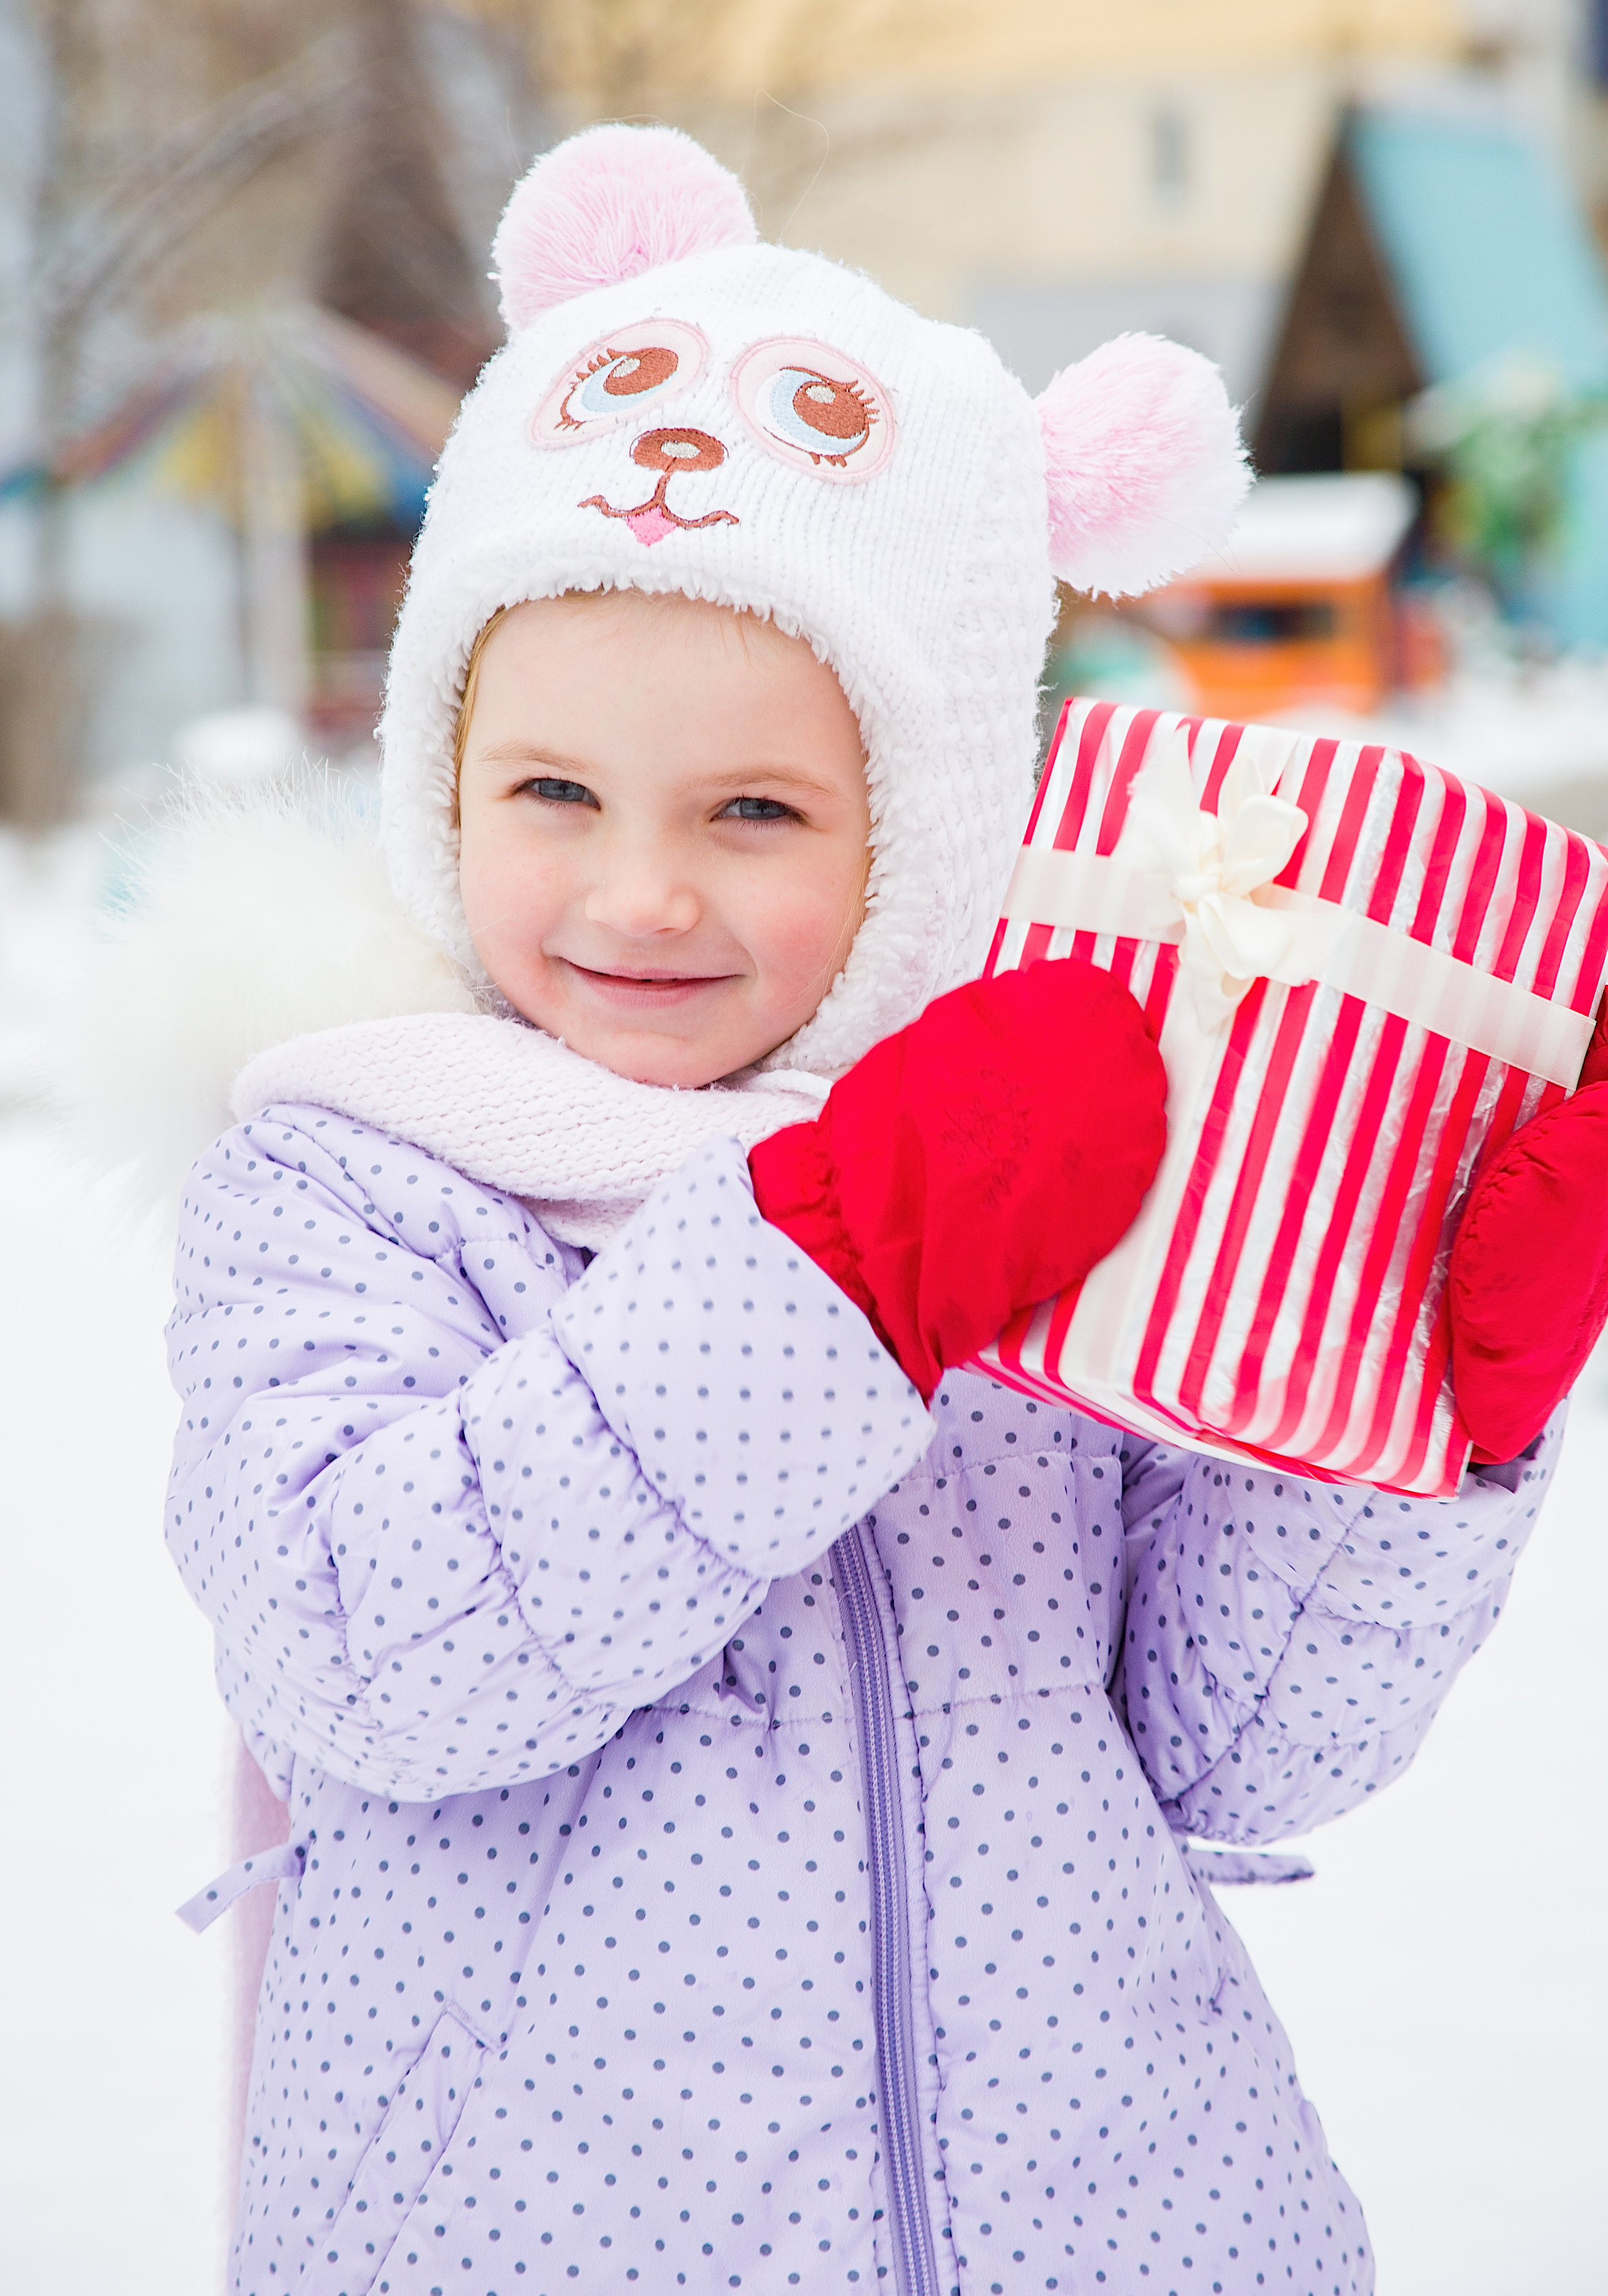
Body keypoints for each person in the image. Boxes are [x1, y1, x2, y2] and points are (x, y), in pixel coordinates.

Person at [161, 126, 1602, 2296]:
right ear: (438, 785)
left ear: (926, 834)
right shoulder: (350, 1184)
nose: (640, 892)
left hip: (1129, 2228)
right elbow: (374, 1651)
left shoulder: (1055, 1171)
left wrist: (1430, 1409)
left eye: (757, 809)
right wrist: (830, 1274)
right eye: (552, 790)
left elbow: (1235, 1753)